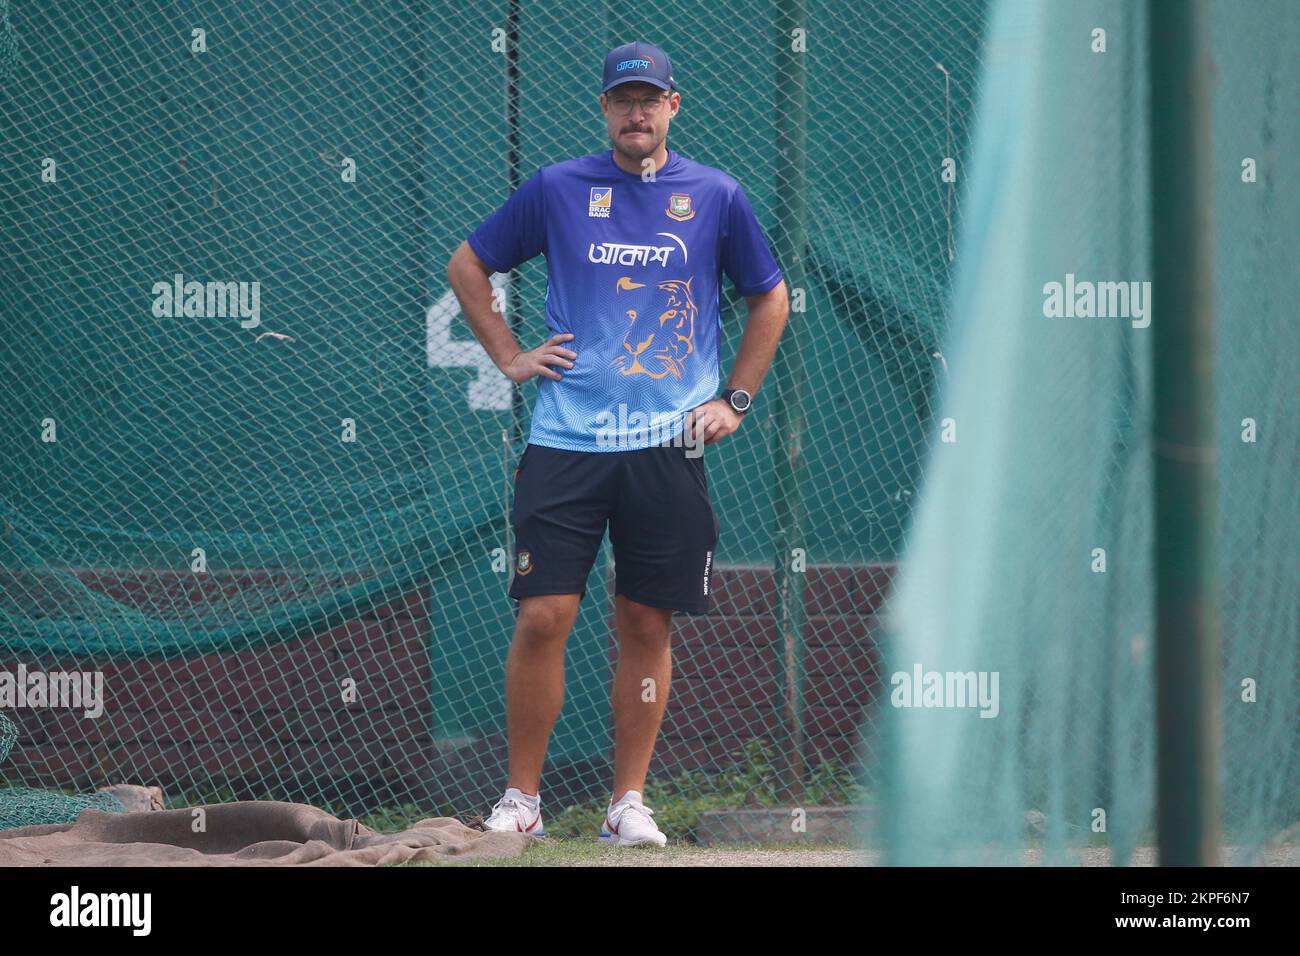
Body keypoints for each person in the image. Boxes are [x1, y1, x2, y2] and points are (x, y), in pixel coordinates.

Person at [447, 40, 789, 846]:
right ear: (604, 109)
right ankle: (520, 803)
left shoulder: (716, 195)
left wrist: (734, 399)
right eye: (622, 99)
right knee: (543, 616)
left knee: (645, 622)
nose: (636, 112)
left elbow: (768, 299)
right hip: (566, 441)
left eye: (650, 99)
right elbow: (469, 265)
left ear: (674, 106)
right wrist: (508, 354)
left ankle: (627, 804)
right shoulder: (558, 189)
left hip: (668, 446)